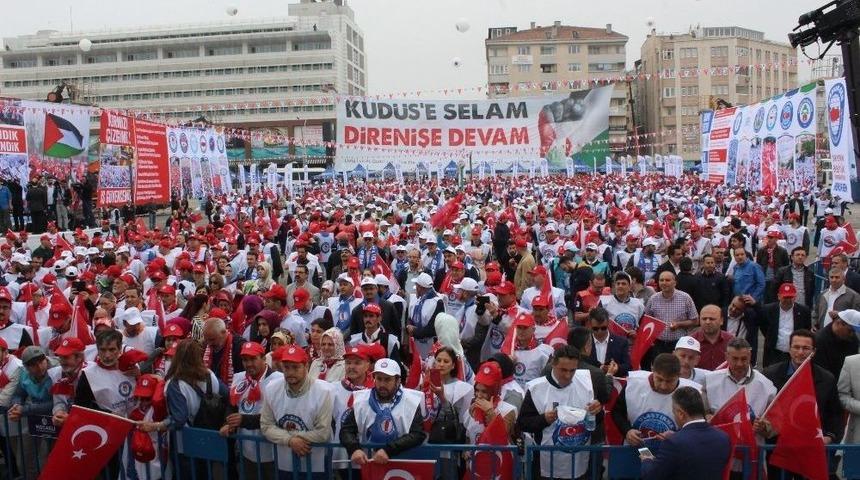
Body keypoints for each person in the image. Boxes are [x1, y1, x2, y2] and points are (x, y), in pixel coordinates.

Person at [761, 329, 843, 479]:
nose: (800, 352)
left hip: (809, 450)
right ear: (789, 348)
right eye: (796, 347)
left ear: (814, 351)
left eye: (805, 348)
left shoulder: (826, 379)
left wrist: (829, 437)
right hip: (778, 448)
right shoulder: (769, 374)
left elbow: (835, 414)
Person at [517, 344, 601, 480]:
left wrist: (598, 409)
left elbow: (597, 419)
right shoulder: (536, 389)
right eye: (563, 370)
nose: (568, 375)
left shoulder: (586, 382)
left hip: (578, 462)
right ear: (553, 365)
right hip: (547, 464)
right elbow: (523, 423)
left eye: (572, 370)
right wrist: (544, 419)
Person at [260, 345, 333, 479]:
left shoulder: (324, 391)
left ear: (306, 366)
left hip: (317, 462)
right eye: (286, 367)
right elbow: (266, 426)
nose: (290, 372)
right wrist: (290, 440)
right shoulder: (271, 389)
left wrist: (291, 438)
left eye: (295, 367)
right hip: (284, 462)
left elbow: (323, 432)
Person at [340, 358, 426, 467]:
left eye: (387, 380)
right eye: (379, 379)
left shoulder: (411, 401)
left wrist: (388, 450)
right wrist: (354, 449)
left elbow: (417, 434)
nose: (382, 384)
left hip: (402, 464)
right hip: (368, 465)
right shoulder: (361, 400)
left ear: (398, 380)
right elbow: (346, 430)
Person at [640, 386, 731, 480]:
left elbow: (650, 476)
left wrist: (646, 456)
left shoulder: (673, 443)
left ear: (681, 414)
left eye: (674, 411)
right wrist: (677, 435)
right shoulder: (723, 437)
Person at [222, 341, 282, 480]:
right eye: (245, 360)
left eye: (253, 359)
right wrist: (229, 422)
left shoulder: (278, 380)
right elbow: (232, 405)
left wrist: (244, 420)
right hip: (246, 450)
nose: (249, 364)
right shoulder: (239, 377)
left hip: (271, 452)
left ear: (263, 358)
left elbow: (277, 415)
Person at [613, 353, 701, 445]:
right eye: (659, 379)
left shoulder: (690, 392)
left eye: (669, 381)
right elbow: (617, 412)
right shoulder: (633, 383)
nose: (663, 386)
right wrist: (627, 431)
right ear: (652, 370)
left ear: (679, 375)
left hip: (673, 450)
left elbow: (695, 425)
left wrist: (677, 436)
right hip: (635, 447)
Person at [642, 271, 699, 369]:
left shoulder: (685, 298)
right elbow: (647, 321)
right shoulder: (653, 298)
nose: (664, 283)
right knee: (660, 370)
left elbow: (695, 321)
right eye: (661, 280)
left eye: (667, 280)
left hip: (678, 344)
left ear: (675, 282)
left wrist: (679, 324)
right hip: (659, 344)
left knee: (677, 370)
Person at [757, 283, 812, 367]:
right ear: (779, 296)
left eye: (790, 297)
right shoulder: (768, 310)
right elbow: (764, 327)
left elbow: (806, 330)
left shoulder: (804, 311)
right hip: (774, 353)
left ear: (795, 297)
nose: (788, 300)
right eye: (785, 297)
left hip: (795, 354)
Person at [815, 309, 860, 380]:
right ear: (839, 323)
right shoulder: (819, 341)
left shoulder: (852, 340)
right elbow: (820, 372)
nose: (852, 334)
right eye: (850, 330)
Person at [587, 307, 630, 376]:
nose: (599, 331)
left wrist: (617, 368)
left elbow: (628, 367)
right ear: (589, 324)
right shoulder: (583, 342)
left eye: (603, 328)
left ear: (608, 323)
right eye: (595, 328)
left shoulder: (621, 342)